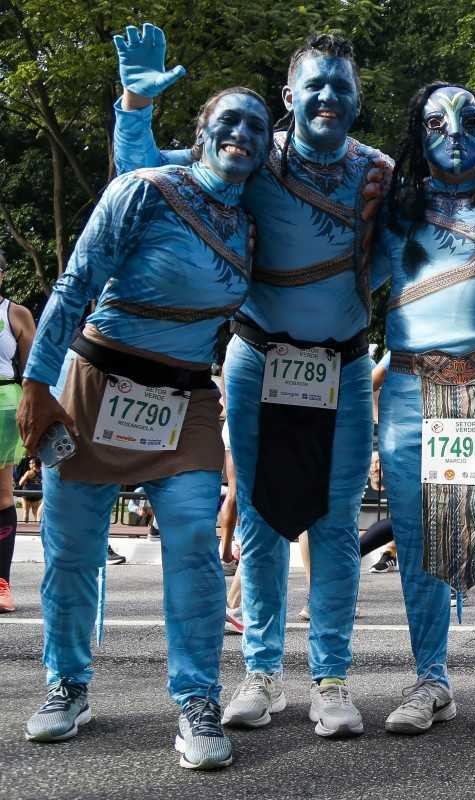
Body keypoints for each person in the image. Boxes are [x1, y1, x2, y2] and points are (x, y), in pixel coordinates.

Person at [111, 25, 392, 738]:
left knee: (333, 526)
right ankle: (261, 672)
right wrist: (135, 104)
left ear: (359, 100)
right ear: (289, 96)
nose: (330, 95)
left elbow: (419, 241)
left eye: (343, 85)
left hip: (344, 368)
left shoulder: (379, 175)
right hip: (257, 360)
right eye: (316, 84)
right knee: (261, 521)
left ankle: (331, 680)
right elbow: (145, 176)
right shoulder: (251, 156)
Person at [16, 65, 270, 770]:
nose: (242, 133)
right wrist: (38, 384)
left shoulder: (252, 225)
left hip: (185, 403)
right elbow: (76, 282)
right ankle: (66, 684)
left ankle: (196, 700)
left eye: (256, 124)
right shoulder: (143, 191)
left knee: (194, 540)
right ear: (200, 132)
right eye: (229, 119)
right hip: (93, 387)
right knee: (69, 551)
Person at [371, 82, 475, 742]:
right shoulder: (393, 210)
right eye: (435, 121)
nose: (453, 130)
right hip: (415, 395)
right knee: (416, 542)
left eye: (467, 119)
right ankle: (430, 680)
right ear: (417, 133)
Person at [0, 253, 35, 614]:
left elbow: (35, 368)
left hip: (5, 403)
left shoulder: (16, 313)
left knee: (3, 493)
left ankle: (1, 581)